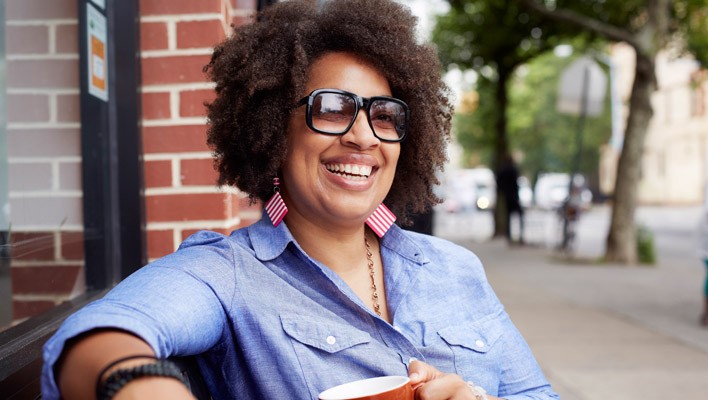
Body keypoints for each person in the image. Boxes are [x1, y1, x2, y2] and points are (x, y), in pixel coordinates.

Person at [41, 1, 559, 399]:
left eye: (384, 115)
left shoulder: (454, 268)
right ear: (271, 131)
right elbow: (98, 337)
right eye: (331, 108)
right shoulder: (228, 276)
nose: (363, 137)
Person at [495, 155, 524, 244]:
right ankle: (520, 236)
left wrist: (502, 191)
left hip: (507, 196)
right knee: (520, 215)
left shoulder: (503, 170)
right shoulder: (513, 169)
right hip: (514, 196)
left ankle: (509, 237)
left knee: (508, 217)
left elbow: (498, 181)